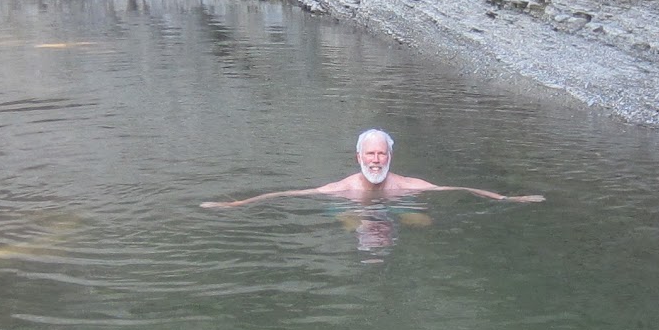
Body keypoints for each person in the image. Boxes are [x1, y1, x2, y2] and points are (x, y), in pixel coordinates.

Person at [200, 128, 545, 208]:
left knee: (417, 220)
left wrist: (505, 199)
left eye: (381, 154)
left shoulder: (407, 185)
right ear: (359, 158)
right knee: (350, 221)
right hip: (350, 210)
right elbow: (290, 193)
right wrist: (239, 204)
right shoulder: (343, 188)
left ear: (390, 157)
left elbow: (456, 189)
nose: (376, 159)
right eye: (371, 154)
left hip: (396, 210)